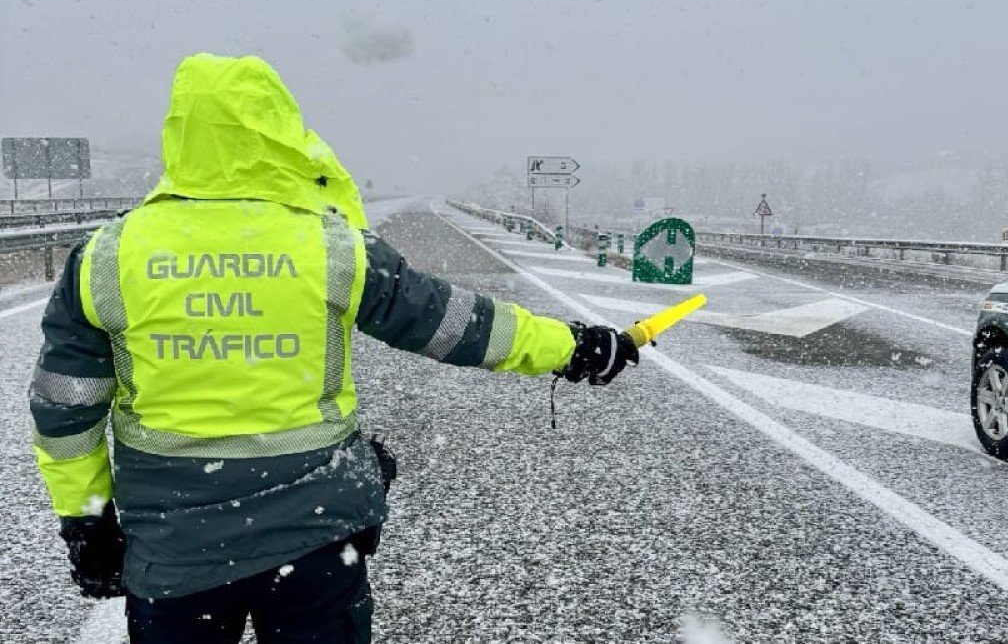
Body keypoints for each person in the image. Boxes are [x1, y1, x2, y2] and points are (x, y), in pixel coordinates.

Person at [29, 53, 638, 643]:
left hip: (174, 551)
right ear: (278, 130)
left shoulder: (107, 256)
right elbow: (456, 324)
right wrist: (572, 346)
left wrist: (86, 520)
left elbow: (65, 411)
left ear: (178, 134)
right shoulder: (332, 248)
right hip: (313, 536)